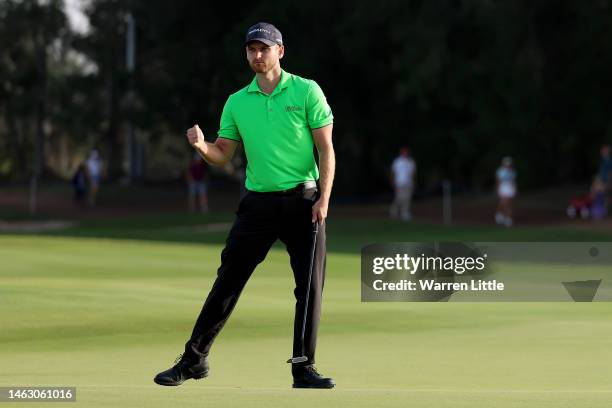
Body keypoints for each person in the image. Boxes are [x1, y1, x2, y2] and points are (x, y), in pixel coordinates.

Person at [154, 22, 336, 389]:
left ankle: (303, 368)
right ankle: (193, 360)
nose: (257, 55)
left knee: (310, 287)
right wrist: (201, 147)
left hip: (304, 200)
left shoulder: (305, 91)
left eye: (264, 49)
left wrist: (324, 199)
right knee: (228, 281)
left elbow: (326, 149)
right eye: (251, 49)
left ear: (279, 51)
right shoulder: (237, 101)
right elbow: (223, 154)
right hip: (257, 205)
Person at [390, 147, 416, 221]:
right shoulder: (397, 161)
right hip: (399, 182)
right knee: (399, 197)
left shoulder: (411, 162)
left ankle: (405, 213)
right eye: (404, 152)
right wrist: (393, 182)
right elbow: (393, 172)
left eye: (406, 152)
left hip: (408, 183)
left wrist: (413, 182)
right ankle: (394, 210)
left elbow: (413, 173)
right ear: (401, 153)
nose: (405, 154)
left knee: (407, 198)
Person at [495, 157, 516, 227]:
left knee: (509, 203)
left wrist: (514, 189)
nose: (508, 165)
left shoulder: (512, 171)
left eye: (509, 164)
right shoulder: (500, 171)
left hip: (509, 188)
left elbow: (513, 181)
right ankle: (501, 215)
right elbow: (498, 181)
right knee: (503, 203)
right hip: (503, 187)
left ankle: (508, 218)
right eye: (506, 164)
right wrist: (498, 189)